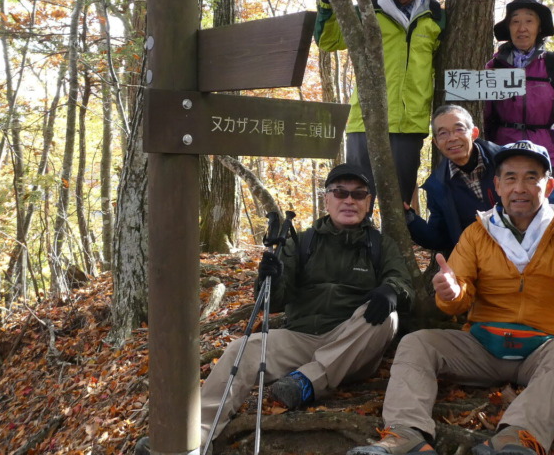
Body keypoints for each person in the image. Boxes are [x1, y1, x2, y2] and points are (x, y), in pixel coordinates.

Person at [135, 164, 414, 454]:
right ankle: (191, 439)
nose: (349, 200)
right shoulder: (303, 242)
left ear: (368, 203)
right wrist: (270, 276)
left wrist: (391, 290)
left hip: (352, 343)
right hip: (302, 337)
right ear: (327, 200)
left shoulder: (380, 245)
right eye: (340, 193)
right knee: (242, 349)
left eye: (358, 194)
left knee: (387, 317)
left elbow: (402, 281)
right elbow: (274, 302)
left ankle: (307, 381)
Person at [347, 141, 554, 455]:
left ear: (548, 186)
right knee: (416, 343)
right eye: (510, 178)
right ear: (498, 186)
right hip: (482, 345)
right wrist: (451, 293)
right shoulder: (478, 233)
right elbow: (458, 298)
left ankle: (516, 439)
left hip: (542, 348)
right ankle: (405, 435)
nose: (520, 187)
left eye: (531, 177)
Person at [309, 0, 445, 203]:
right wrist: (327, 1)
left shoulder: (435, 16)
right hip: (366, 120)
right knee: (358, 198)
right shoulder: (367, 10)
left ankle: (398, 233)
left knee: (400, 202)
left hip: (410, 124)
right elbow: (328, 40)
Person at [406, 105, 554, 256]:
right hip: (480, 262)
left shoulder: (508, 161)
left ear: (474, 133)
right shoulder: (438, 185)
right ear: (436, 143)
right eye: (443, 133)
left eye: (459, 129)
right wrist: (408, 218)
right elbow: (439, 238)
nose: (452, 138)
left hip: (534, 252)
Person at [485, 0, 554, 223]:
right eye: (515, 21)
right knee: (505, 222)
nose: (522, 28)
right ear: (508, 28)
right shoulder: (494, 66)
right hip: (504, 153)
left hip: (548, 154)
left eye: (529, 21)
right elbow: (485, 116)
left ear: (539, 27)